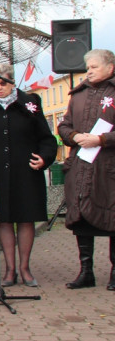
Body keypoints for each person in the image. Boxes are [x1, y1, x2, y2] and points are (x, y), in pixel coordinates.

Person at [0, 64, 57, 287]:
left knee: (25, 217)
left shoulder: (29, 103)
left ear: (12, 83)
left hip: (26, 170)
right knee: (4, 219)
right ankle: (9, 270)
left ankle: (24, 267)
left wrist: (44, 158)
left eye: (3, 83)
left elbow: (46, 138)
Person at [58, 49, 115, 291]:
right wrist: (74, 136)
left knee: (112, 218)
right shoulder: (78, 95)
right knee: (81, 219)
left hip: (108, 170)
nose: (89, 71)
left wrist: (101, 140)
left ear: (110, 67)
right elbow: (64, 126)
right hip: (81, 167)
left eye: (94, 67)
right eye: (87, 67)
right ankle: (86, 272)